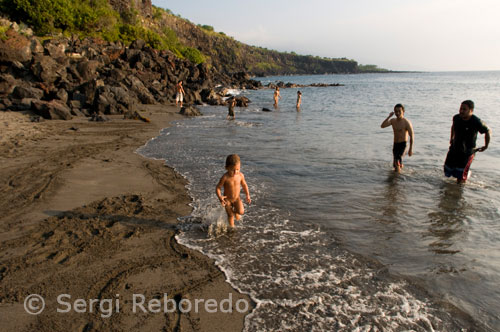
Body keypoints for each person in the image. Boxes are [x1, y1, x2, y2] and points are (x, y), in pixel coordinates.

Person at [444, 100, 490, 184]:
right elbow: (453, 126)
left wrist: (486, 146)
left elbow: (487, 131)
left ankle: (460, 188)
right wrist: (451, 138)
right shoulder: (456, 118)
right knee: (448, 171)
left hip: (468, 151)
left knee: (460, 177)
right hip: (455, 148)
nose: (461, 111)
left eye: (464, 109)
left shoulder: (476, 121)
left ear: (471, 111)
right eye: (460, 109)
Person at [216, 154, 251, 227]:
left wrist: (247, 195)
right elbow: (218, 188)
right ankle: (232, 228)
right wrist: (220, 197)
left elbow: (244, 185)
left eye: (238, 169)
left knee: (241, 212)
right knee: (230, 215)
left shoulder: (240, 176)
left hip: (236, 198)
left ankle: (236, 212)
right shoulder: (225, 177)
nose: (235, 172)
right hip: (227, 200)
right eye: (232, 170)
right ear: (227, 168)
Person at [380, 104, 414, 173]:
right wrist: (389, 116)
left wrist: (410, 149)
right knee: (395, 165)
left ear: (403, 111)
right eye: (396, 111)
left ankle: (396, 180)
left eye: (399, 111)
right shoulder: (393, 121)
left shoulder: (406, 122)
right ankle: (400, 172)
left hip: (403, 145)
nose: (397, 113)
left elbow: (412, 136)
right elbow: (382, 126)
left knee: (397, 161)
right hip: (395, 145)